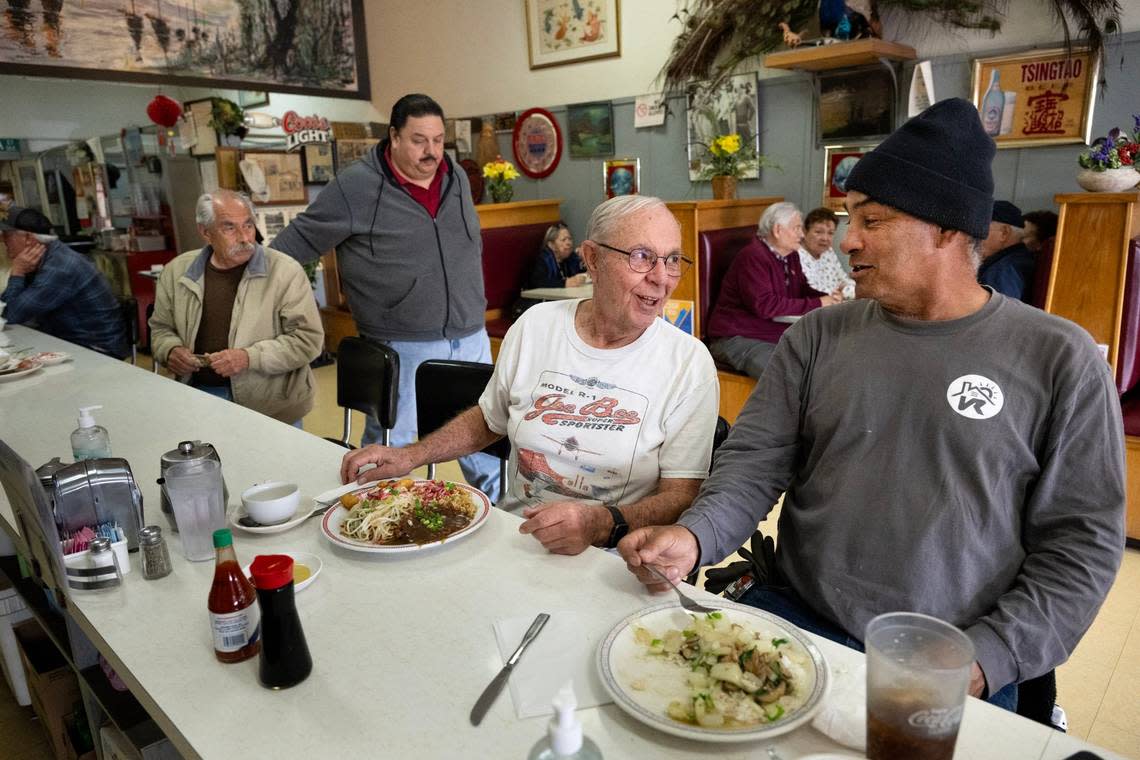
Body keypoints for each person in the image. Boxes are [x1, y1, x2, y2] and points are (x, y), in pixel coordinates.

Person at [619, 98, 1125, 712]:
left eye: (873, 221)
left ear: (946, 228)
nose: (848, 241)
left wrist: (991, 656)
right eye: (848, 217)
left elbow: (1081, 542)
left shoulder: (1058, 359)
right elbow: (754, 463)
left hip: (951, 657)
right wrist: (696, 537)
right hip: (798, 626)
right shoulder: (818, 337)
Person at [341, 196, 720, 556]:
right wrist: (410, 455)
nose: (662, 278)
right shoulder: (536, 326)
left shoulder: (688, 364)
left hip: (613, 556)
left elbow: (682, 496)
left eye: (672, 260)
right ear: (592, 258)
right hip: (515, 536)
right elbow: (490, 420)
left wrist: (600, 524)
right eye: (642, 257)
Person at [271, 92, 500, 500]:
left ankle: (510, 527)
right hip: (401, 342)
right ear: (392, 137)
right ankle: (375, 523)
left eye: (437, 139)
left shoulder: (456, 177)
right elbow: (291, 247)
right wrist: (268, 305)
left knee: (484, 438)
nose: (432, 152)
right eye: (418, 140)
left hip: (470, 337)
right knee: (390, 453)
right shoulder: (357, 186)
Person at [149, 190, 323, 426]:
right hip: (199, 395)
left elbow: (307, 341)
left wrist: (248, 358)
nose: (244, 237)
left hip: (271, 405)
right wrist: (170, 350)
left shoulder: (285, 272)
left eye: (248, 225)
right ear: (205, 232)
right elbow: (160, 329)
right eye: (229, 228)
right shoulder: (177, 272)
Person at [705, 202, 842, 378]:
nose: (802, 234)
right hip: (735, 337)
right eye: (797, 228)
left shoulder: (790, 254)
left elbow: (800, 288)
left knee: (825, 354)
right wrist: (819, 303)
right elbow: (765, 305)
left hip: (768, 331)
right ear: (778, 230)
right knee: (787, 375)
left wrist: (827, 298)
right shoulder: (753, 257)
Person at [0, 205, 128, 358]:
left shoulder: (61, 267)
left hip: (97, 350)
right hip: (67, 342)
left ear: (28, 238)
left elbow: (11, 315)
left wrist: (18, 272)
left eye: (7, 235)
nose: (3, 241)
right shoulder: (46, 258)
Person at [978, 200, 1036, 302]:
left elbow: (999, 316)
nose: (974, 237)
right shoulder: (1020, 260)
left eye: (980, 229)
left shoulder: (1003, 271)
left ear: (1004, 232)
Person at [797, 207, 855, 300]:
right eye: (818, 232)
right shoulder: (795, 256)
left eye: (830, 233)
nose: (825, 238)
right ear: (805, 231)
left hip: (835, 305)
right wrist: (837, 294)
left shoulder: (828, 252)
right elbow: (808, 292)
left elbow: (846, 281)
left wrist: (843, 293)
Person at [524, 223, 588, 290]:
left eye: (570, 239)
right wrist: (565, 283)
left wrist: (586, 260)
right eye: (563, 240)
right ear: (551, 245)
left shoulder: (571, 257)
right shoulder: (542, 260)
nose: (569, 243)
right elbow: (537, 282)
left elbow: (582, 272)